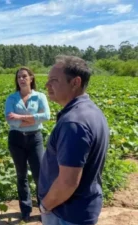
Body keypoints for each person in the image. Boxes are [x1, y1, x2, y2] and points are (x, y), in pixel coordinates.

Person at [38, 55, 109, 225]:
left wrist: (45, 206)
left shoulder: (74, 122)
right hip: (81, 208)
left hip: (66, 213)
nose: (47, 85)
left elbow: (68, 182)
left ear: (75, 82)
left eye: (54, 80)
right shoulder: (91, 110)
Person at [4, 66, 50, 221]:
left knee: (39, 175)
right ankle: (25, 209)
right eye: (19, 77)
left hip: (34, 138)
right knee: (21, 175)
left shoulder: (40, 97)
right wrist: (31, 119)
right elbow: (9, 119)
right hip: (16, 139)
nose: (21, 79)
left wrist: (19, 117)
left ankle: (43, 208)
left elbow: (47, 116)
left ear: (31, 78)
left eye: (24, 76)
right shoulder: (11, 98)